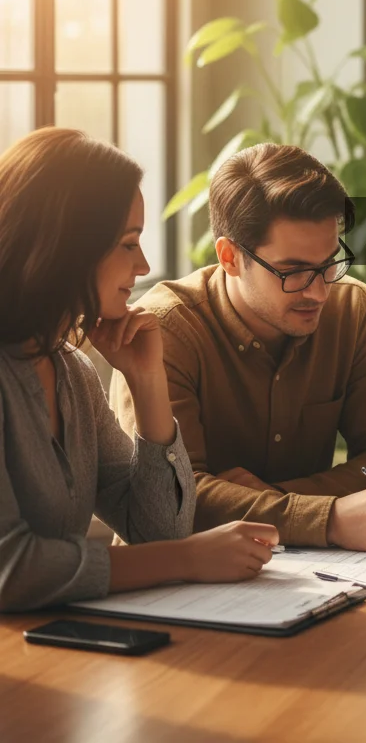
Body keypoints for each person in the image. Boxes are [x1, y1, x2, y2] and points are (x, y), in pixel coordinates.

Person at [0, 129, 279, 612]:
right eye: (129, 244)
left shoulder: (72, 372)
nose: (144, 263)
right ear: (66, 245)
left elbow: (157, 530)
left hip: (57, 647)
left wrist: (147, 381)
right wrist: (185, 559)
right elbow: (11, 570)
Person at [110, 143, 366, 551]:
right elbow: (173, 504)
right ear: (229, 257)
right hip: (173, 584)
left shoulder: (350, 307)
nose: (318, 291)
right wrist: (327, 518)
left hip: (314, 572)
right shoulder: (165, 330)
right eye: (293, 272)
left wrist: (276, 495)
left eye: (329, 262)